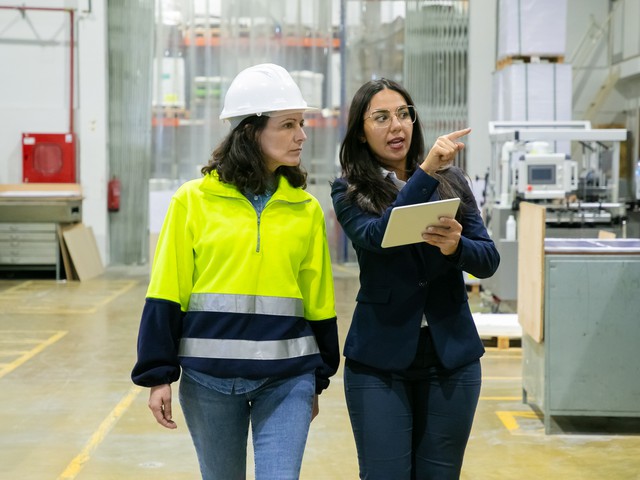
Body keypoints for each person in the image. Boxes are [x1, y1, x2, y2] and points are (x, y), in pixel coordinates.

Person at [132, 63, 340, 480]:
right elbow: (167, 288)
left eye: (301, 123)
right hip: (208, 379)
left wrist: (318, 377)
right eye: (288, 125)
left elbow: (317, 297)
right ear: (250, 131)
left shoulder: (306, 209)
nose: (302, 134)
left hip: (287, 380)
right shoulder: (192, 201)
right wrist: (158, 375)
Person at [331, 78, 500, 480]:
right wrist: (425, 172)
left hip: (451, 357)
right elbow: (378, 238)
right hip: (380, 362)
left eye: (404, 114)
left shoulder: (453, 181)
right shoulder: (349, 189)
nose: (397, 126)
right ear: (360, 130)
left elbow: (488, 259)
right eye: (382, 117)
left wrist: (456, 247)